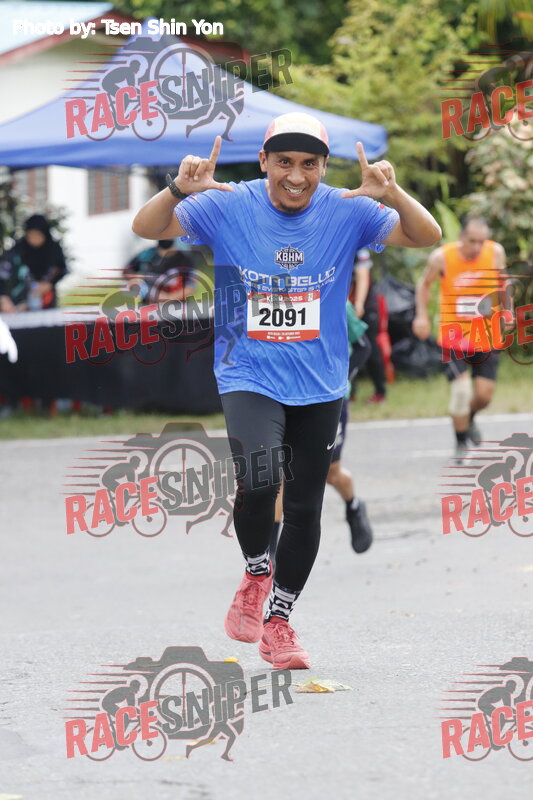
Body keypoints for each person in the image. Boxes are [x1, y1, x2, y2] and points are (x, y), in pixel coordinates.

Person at [132, 112, 441, 670]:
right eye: (284, 163)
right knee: (259, 479)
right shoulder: (229, 202)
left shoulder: (348, 209)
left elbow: (427, 236)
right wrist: (179, 187)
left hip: (321, 381)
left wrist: (393, 194)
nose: (296, 176)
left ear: (323, 167)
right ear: (264, 162)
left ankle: (279, 620)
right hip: (247, 371)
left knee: (304, 508)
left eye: (309, 164)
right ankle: (257, 571)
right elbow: (147, 227)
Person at [270, 301, 373, 563]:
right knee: (279, 473)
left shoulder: (336, 300)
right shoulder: (274, 297)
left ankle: (354, 506)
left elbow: (363, 346)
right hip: (287, 397)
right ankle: (269, 557)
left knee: (330, 473)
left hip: (329, 401)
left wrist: (340, 379)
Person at [412, 215, 509, 462]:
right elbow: (424, 285)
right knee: (461, 392)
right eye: (472, 241)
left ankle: (469, 418)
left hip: (487, 335)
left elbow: (503, 283)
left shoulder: (495, 253)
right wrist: (421, 316)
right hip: (453, 337)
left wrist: (507, 311)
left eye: (481, 241)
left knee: (484, 396)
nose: (477, 247)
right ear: (461, 237)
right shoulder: (442, 257)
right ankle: (461, 441)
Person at [0, 214, 67, 312]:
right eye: (30, 235)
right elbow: (2, 274)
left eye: (37, 235)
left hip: (46, 301)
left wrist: (49, 284)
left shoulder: (53, 249)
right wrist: (3, 297)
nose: (34, 239)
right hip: (18, 304)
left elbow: (62, 269)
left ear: (45, 234)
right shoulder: (17, 251)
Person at [349, 248, 387, 402]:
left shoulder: (360, 249)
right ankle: (350, 393)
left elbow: (363, 275)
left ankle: (380, 391)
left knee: (370, 349)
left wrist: (359, 304)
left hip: (364, 308)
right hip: (346, 308)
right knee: (346, 350)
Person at [124, 239, 197, 303]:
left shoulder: (185, 260)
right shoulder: (146, 254)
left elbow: (190, 287)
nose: (166, 238)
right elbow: (127, 271)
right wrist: (135, 281)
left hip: (176, 308)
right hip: (148, 307)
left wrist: (168, 298)